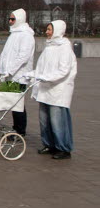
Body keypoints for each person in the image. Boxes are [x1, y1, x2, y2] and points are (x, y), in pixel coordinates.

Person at [27, 20, 77, 160]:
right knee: (44, 119)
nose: (47, 32)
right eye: (47, 29)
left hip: (58, 90)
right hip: (45, 89)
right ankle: (49, 144)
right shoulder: (49, 47)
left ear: (58, 31)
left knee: (57, 120)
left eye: (50, 29)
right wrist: (32, 74)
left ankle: (63, 148)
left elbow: (63, 71)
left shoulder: (65, 48)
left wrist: (46, 77)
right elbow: (41, 68)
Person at [0, 8, 35, 136]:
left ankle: (20, 130)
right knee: (12, 103)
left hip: (19, 76)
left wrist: (10, 70)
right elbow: (5, 54)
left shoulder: (26, 35)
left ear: (20, 20)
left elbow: (23, 57)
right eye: (10, 19)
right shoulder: (13, 34)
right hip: (10, 76)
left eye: (13, 19)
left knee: (18, 104)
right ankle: (16, 127)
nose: (10, 21)